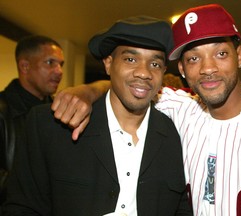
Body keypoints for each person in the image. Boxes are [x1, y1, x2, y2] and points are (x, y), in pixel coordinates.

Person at [55, 4, 241, 215]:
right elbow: (132, 85)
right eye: (194, 58)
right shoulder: (179, 107)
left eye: (221, 54)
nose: (208, 68)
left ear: (239, 56)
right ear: (181, 69)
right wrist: (87, 92)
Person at [2, 16, 192, 216]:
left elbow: (182, 209)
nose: (144, 73)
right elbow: (22, 207)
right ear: (108, 64)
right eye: (130, 59)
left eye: (154, 64)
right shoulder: (51, 125)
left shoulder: (176, 133)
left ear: (163, 71)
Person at [0, 35, 92, 207]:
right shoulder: (3, 112)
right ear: (25, 66)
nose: (59, 71)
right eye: (50, 63)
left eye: (61, 64)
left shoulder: (60, 113)